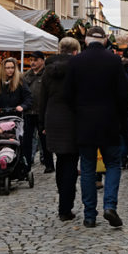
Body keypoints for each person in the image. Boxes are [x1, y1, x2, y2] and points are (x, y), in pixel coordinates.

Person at [64, 26, 128, 228]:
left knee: (87, 168)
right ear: (104, 41)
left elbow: (67, 95)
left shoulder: (75, 61)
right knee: (112, 164)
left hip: (84, 122)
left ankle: (89, 215)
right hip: (109, 121)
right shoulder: (113, 61)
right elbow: (123, 94)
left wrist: (79, 111)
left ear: (85, 40)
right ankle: (110, 205)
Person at [37, 36, 80, 221]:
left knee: (61, 161)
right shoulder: (78, 69)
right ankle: (65, 206)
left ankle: (63, 200)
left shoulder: (48, 71)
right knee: (70, 162)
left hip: (53, 118)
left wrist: (43, 124)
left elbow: (42, 99)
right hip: (73, 119)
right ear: (76, 51)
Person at [21, 52, 53, 173]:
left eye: (35, 60)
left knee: (44, 139)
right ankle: (27, 164)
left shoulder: (47, 74)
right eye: (31, 60)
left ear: (42, 61)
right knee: (27, 140)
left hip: (42, 112)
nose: (32, 62)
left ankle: (49, 164)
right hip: (29, 112)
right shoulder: (26, 75)